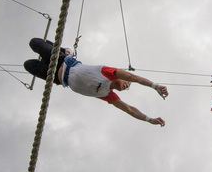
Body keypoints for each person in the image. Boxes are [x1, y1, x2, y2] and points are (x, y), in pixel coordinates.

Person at [24, 38, 167, 126]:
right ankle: (66, 50)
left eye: (127, 88)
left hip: (57, 78)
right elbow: (135, 78)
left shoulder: (107, 94)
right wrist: (155, 86)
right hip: (63, 61)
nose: (126, 86)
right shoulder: (107, 72)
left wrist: (149, 120)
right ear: (121, 78)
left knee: (28, 65)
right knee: (34, 43)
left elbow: (129, 109)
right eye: (127, 83)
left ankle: (61, 55)